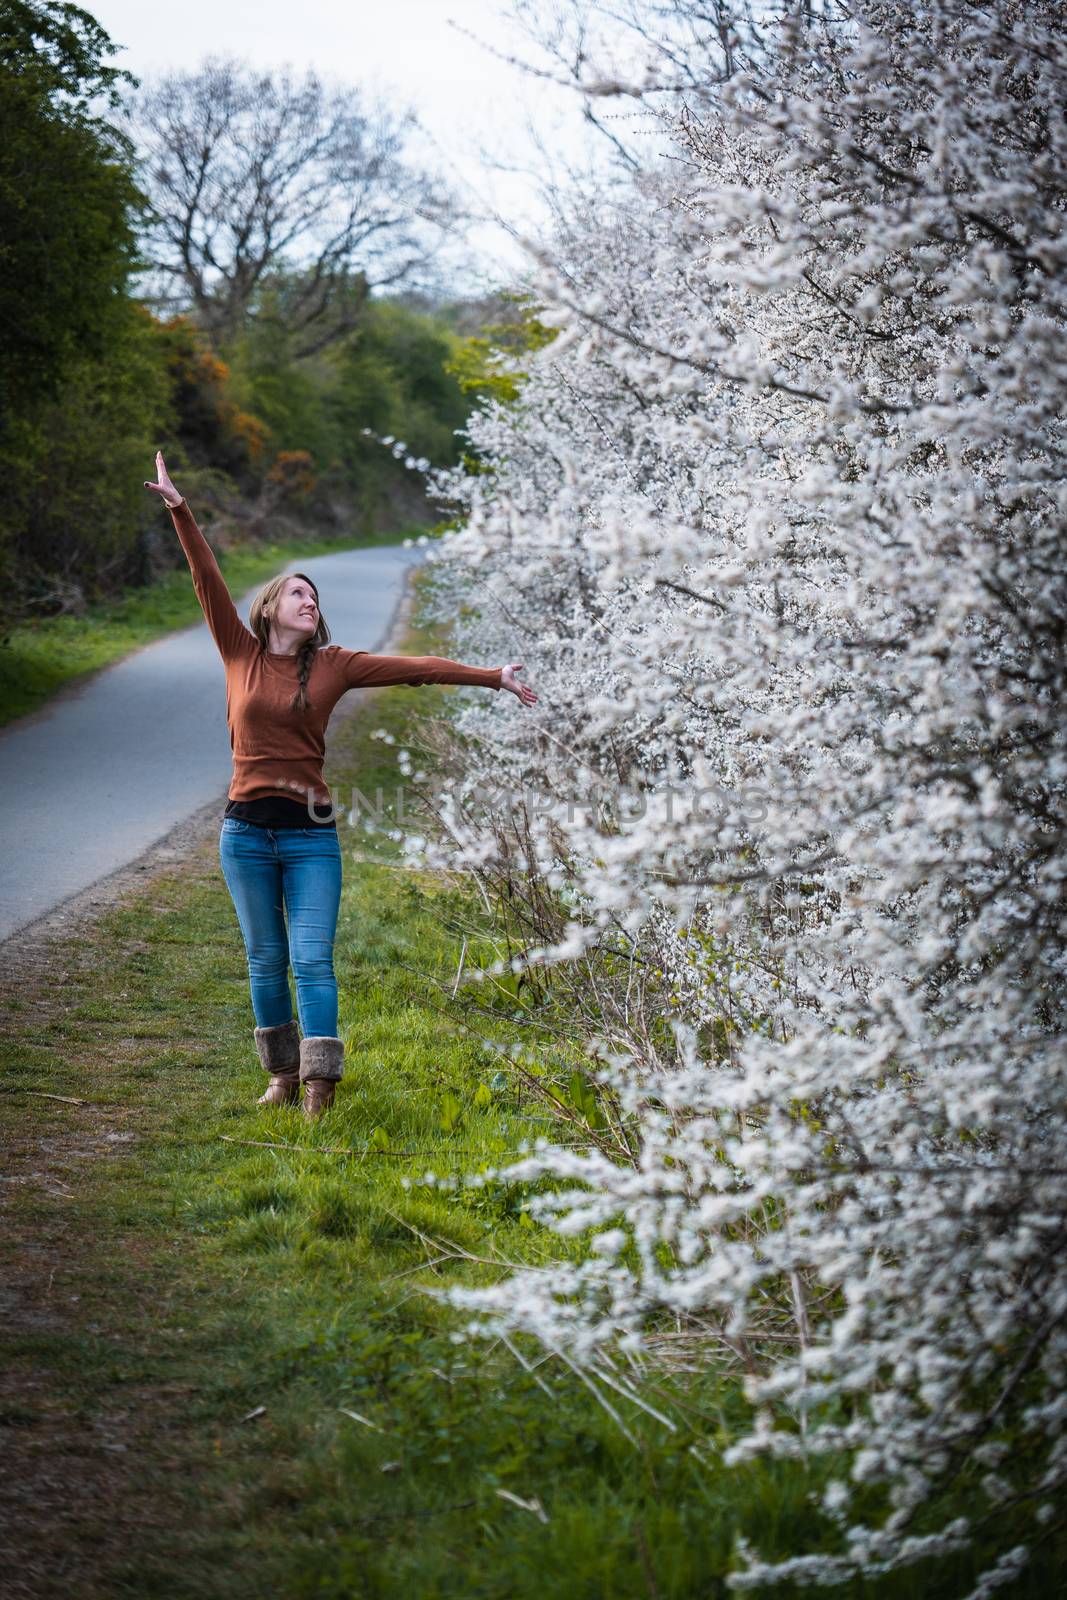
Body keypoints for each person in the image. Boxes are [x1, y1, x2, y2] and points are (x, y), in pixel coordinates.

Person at [144, 451, 537, 1118]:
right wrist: (182, 511)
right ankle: (281, 1076)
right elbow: (205, 579)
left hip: (309, 837)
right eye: (299, 591)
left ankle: (321, 1084)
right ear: (270, 607)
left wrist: (491, 676)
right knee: (264, 960)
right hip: (243, 832)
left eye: (315, 596)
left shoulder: (335, 665)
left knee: (312, 960)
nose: (310, 600)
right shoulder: (237, 652)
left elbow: (416, 665)